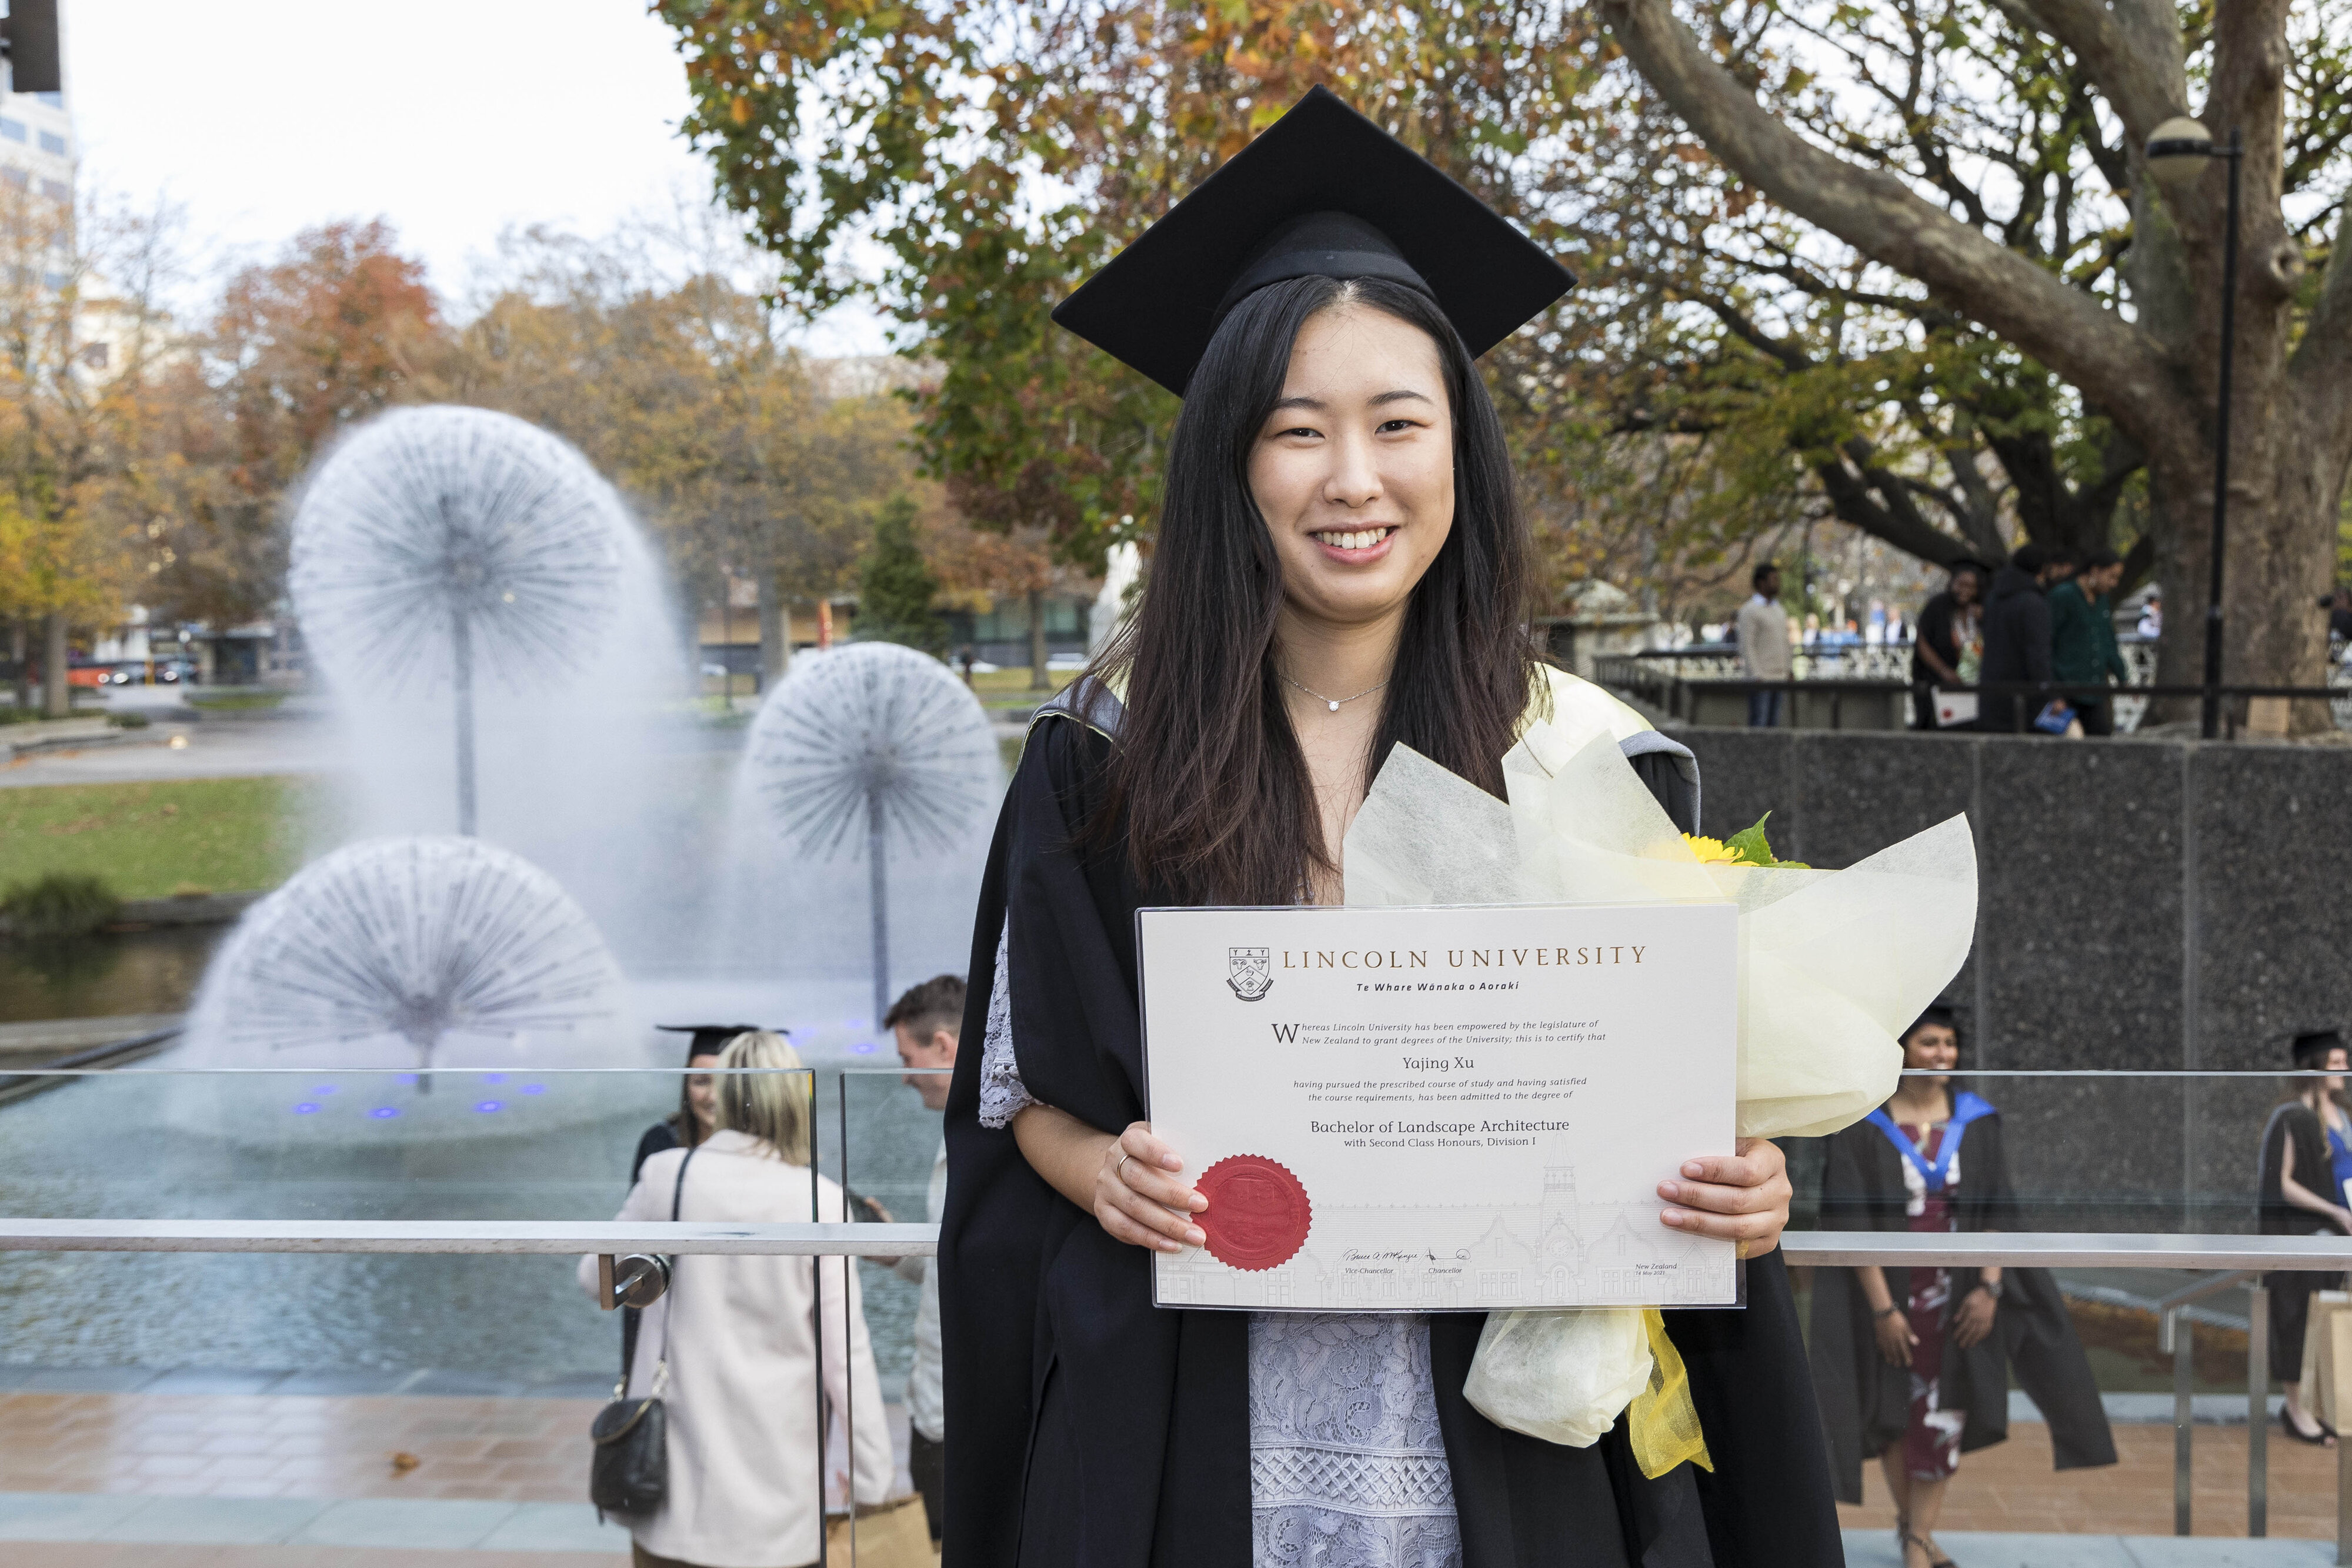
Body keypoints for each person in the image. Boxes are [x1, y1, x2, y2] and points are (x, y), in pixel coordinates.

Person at [940, 86, 1832, 1568]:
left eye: (1395, 422)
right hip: (1191, 1430)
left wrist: (1734, 1181)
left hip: (1508, 1440)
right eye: (1297, 430)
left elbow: (1673, 1109)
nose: (1353, 478)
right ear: (1230, 462)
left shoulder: (1586, 756)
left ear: (1455, 452)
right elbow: (1022, 1081)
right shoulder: (1102, 760)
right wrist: (1101, 1168)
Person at [1810, 1007, 2114, 1568]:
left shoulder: (1977, 1122)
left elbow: (1999, 1207)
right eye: (1930, 1042)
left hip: (1957, 1298)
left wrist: (1990, 1288)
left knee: (1945, 1413)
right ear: (1900, 1050)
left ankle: (1917, 1538)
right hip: (1889, 1298)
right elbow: (1848, 1219)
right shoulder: (1863, 1125)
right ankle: (1915, 1531)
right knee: (1892, 1415)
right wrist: (1881, 1311)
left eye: (1950, 1043)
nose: (1943, 1054)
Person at [581, 1030, 894, 1568]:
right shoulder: (818, 1199)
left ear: (723, 1096)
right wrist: (872, 1477)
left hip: (671, 1485)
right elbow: (845, 1356)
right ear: (795, 1100)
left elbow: (595, 1277)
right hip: (779, 1491)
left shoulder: (668, 1175)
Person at [877, 974, 963, 1545]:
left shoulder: (989, 1138)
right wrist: (894, 1249)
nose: (906, 1074)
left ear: (944, 1046)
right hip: (943, 1401)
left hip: (956, 1411)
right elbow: (952, 1261)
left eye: (910, 1056)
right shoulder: (966, 1131)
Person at [2257, 1029, 2352, 1446]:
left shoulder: (2343, 1115)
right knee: (2295, 1319)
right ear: (2313, 1067)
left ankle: (2320, 1405)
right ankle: (2295, 1409)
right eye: (2334, 1063)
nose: (2343, 1069)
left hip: (2339, 1236)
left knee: (2330, 1321)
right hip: (2304, 1236)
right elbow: (2281, 1181)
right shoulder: (2291, 1116)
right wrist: (2332, 1211)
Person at [1979, 544, 2071, 733]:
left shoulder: (1994, 599)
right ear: (2042, 569)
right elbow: (2038, 655)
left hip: (1993, 694)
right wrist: (2051, 695)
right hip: (2026, 699)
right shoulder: (2033, 603)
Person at [2048, 549, 2130, 736]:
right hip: (2065, 689)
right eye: (2111, 577)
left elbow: (2107, 640)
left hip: (2093, 692)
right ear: (2095, 571)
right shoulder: (2063, 596)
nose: (2114, 584)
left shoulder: (2103, 601)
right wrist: (2054, 692)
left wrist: (2122, 676)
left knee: (2099, 743)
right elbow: (2046, 644)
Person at [1909, 563, 1986, 731]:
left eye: (1971, 587)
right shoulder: (1937, 606)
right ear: (1952, 583)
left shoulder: (1981, 612)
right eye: (1961, 584)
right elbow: (1922, 642)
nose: (1965, 590)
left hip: (1972, 686)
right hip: (1938, 682)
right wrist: (1943, 671)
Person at [1737, 562, 1792, 727]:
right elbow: (1747, 645)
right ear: (1762, 583)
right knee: (1759, 724)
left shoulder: (1779, 610)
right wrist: (1756, 674)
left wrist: (1789, 669)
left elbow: (1785, 642)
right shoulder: (1750, 610)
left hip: (1780, 677)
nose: (1778, 583)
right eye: (1774, 579)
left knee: (1774, 724)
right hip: (1761, 679)